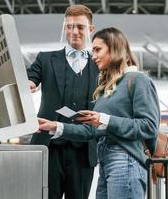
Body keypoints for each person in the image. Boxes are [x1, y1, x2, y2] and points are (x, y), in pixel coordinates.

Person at [37, 27, 160, 199]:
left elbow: (149, 126)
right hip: (105, 162)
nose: (93, 56)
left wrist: (104, 118)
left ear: (115, 48)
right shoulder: (106, 89)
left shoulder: (138, 80)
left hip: (126, 160)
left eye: (97, 50)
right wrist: (56, 126)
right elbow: (92, 131)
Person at [27, 5, 99, 199]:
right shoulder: (46, 59)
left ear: (90, 29)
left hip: (84, 151)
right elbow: (30, 78)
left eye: (80, 27)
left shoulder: (100, 65)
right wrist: (28, 84)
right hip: (49, 147)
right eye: (69, 26)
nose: (74, 31)